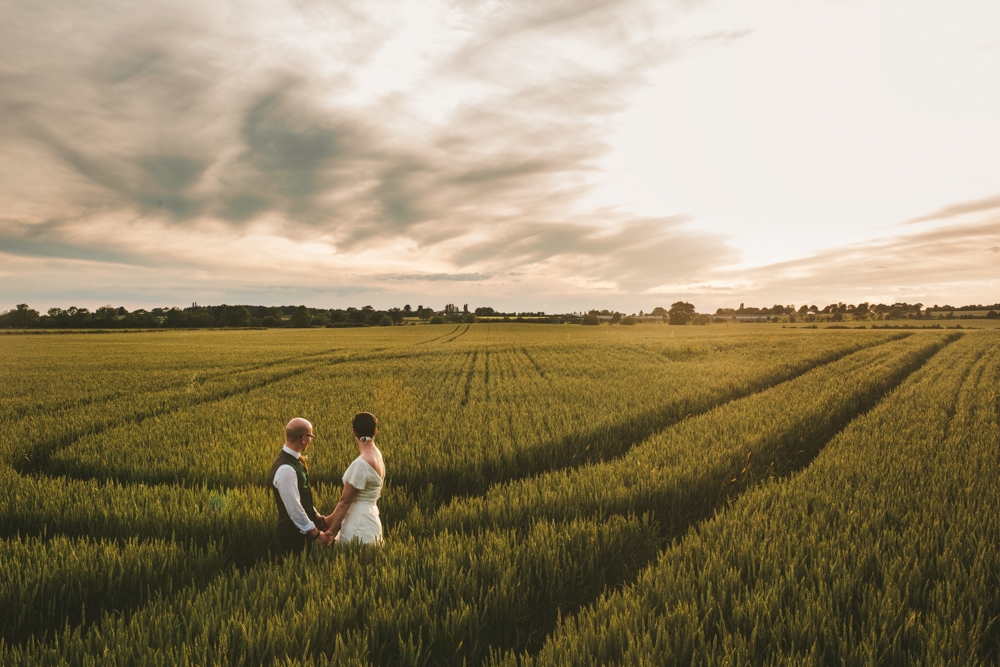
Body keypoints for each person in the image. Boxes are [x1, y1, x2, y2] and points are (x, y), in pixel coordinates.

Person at [268, 417, 334, 555]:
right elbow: (294, 507)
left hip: (299, 530)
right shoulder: (286, 468)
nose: (311, 440)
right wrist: (315, 533)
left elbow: (300, 495)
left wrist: (315, 515)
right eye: (311, 436)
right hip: (292, 534)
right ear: (304, 438)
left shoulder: (291, 461)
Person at [319, 412, 385, 546]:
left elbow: (346, 501)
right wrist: (330, 519)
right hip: (371, 522)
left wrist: (331, 530)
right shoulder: (377, 455)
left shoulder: (361, 463)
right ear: (375, 431)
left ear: (354, 432)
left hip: (358, 525)